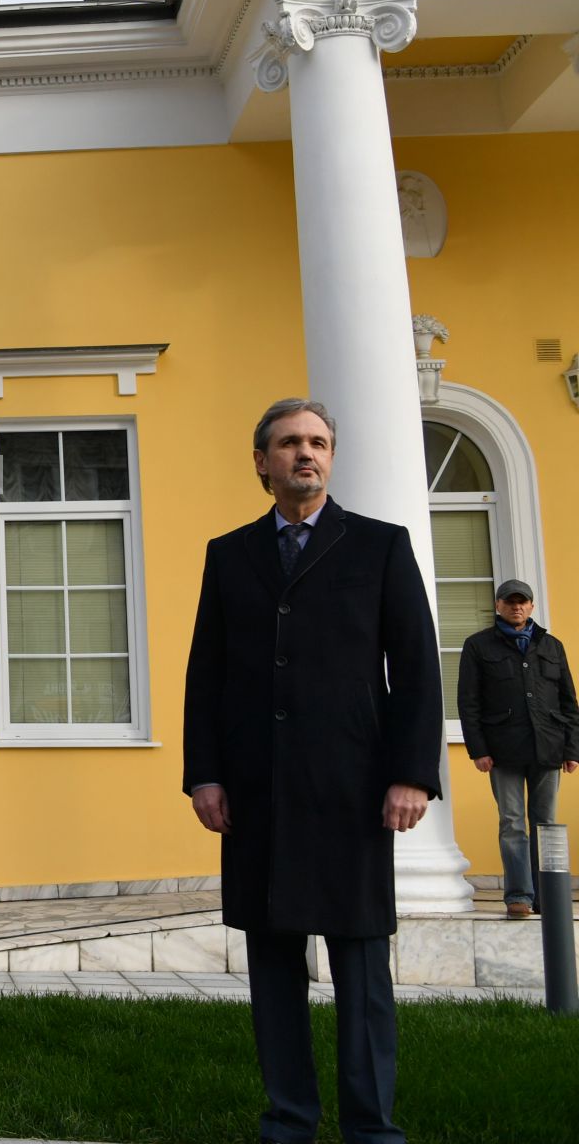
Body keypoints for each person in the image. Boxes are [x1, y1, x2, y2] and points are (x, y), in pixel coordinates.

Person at [183, 399, 441, 1144]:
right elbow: (208, 674)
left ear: (332, 457)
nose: (307, 453)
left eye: (319, 442)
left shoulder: (380, 547)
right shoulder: (229, 555)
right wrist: (205, 773)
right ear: (261, 461)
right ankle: (289, 1119)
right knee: (273, 968)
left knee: (361, 972)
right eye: (290, 443)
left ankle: (371, 1128)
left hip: (353, 792)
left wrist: (411, 774)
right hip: (257, 794)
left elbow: (418, 672)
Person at [457, 579, 579, 919]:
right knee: (512, 824)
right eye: (509, 602)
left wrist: (573, 749)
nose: (516, 607)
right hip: (502, 750)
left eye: (522, 602)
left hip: (549, 748)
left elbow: (569, 702)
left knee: (546, 824)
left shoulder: (551, 646)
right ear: (498, 605)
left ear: (532, 606)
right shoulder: (478, 646)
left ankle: (548, 897)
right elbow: (468, 703)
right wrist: (478, 749)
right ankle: (519, 897)